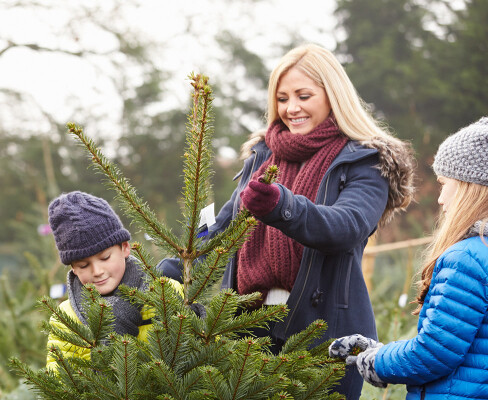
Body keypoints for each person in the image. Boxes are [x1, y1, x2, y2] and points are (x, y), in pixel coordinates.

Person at [157, 43, 416, 398]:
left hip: (324, 337)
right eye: (282, 98)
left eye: (303, 95)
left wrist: (281, 205)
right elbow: (220, 228)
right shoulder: (262, 155)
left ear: (333, 95)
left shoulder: (364, 161)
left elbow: (346, 226)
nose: (291, 108)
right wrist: (160, 272)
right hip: (245, 332)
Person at [329, 117, 488, 399]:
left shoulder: (468, 258)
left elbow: (433, 354)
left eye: (443, 184)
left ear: (468, 187)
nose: (440, 199)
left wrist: (373, 359)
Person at [44, 191, 185, 370]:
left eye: (105, 258)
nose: (97, 271)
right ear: (73, 268)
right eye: (83, 265)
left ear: (125, 248)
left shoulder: (165, 293)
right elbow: (60, 382)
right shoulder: (65, 318)